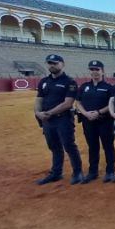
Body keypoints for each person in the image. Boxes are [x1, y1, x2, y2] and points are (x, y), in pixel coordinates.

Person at [34, 54, 83, 185]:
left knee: (69, 145)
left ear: (62, 64)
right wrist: (38, 113)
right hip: (47, 120)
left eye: (55, 63)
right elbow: (39, 99)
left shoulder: (70, 82)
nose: (52, 65)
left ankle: (77, 172)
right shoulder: (44, 81)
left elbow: (68, 103)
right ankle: (56, 173)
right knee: (54, 146)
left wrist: (49, 113)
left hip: (63, 119)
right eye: (50, 63)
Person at [74, 60, 115, 184]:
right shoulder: (84, 87)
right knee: (92, 147)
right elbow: (78, 102)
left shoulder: (109, 88)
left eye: (97, 69)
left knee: (108, 146)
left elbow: (111, 104)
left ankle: (110, 171)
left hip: (104, 121)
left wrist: (98, 112)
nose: (94, 72)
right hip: (88, 121)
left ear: (102, 71)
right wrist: (85, 113)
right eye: (92, 69)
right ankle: (93, 172)